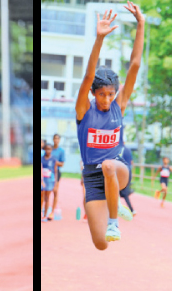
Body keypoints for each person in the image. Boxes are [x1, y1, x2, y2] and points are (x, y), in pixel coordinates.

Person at [75, 2, 143, 250]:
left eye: (111, 94)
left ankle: (114, 221)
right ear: (93, 93)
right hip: (92, 177)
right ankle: (115, 207)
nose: (106, 100)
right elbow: (87, 75)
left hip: (117, 169)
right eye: (102, 95)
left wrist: (141, 23)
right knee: (101, 244)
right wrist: (99, 39)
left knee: (108, 165)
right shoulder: (84, 110)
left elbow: (134, 65)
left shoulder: (118, 105)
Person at [49, 133, 66, 220]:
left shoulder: (61, 151)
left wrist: (54, 162)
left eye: (57, 139)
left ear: (59, 140)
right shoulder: (49, 149)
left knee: (55, 191)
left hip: (56, 172)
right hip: (48, 172)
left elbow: (62, 164)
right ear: (52, 139)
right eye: (55, 138)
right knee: (46, 191)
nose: (56, 140)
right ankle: (46, 209)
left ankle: (52, 211)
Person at [41, 143, 58, 222]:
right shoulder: (41, 158)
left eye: (49, 149)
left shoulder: (53, 159)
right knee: (42, 197)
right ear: (44, 149)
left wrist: (55, 184)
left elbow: (55, 171)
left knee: (47, 198)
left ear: (51, 150)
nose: (48, 151)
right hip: (42, 180)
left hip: (50, 181)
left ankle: (45, 215)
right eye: (46, 149)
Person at [119, 143, 136, 215]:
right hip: (129, 171)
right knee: (123, 192)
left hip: (121, 171)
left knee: (115, 190)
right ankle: (132, 210)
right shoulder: (128, 149)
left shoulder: (118, 149)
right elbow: (132, 162)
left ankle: (114, 209)